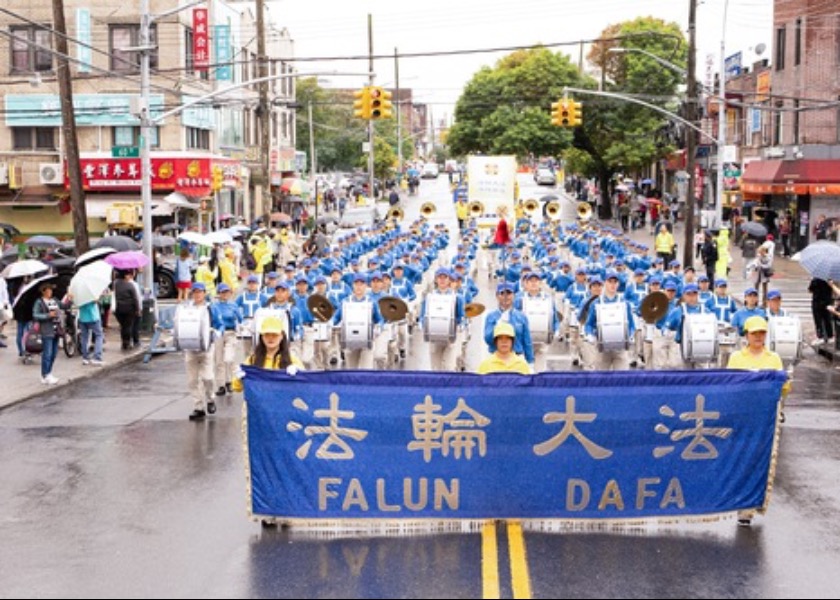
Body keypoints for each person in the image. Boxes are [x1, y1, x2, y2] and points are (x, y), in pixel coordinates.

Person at [727, 315, 791, 526]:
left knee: (760, 461)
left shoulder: (774, 359)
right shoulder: (736, 357)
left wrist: (784, 383)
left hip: (765, 418)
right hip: (743, 416)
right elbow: (729, 385)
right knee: (742, 458)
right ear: (746, 335)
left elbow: (783, 389)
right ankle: (743, 506)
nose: (758, 337)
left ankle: (754, 502)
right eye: (754, 333)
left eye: (762, 333)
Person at [231, 315, 304, 393]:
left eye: (274, 335)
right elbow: (236, 388)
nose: (270, 338)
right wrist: (239, 378)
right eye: (267, 335)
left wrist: (298, 375)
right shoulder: (252, 360)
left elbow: (304, 386)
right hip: (257, 404)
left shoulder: (291, 360)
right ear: (262, 337)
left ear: (282, 336)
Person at [183, 282, 217, 421]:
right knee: (192, 380)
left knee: (208, 377)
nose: (197, 295)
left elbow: (219, 324)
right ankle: (198, 407)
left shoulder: (210, 308)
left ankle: (210, 398)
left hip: (206, 347)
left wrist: (215, 332)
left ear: (204, 293)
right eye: (195, 292)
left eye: (200, 292)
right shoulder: (186, 308)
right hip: (190, 348)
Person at [31, 282, 70, 385]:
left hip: (56, 329)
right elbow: (35, 315)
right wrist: (48, 315)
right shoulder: (39, 302)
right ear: (43, 291)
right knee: (47, 354)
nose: (50, 292)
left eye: (51, 290)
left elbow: (64, 306)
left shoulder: (55, 300)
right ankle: (45, 374)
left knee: (53, 353)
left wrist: (69, 298)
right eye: (48, 290)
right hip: (46, 330)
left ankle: (49, 373)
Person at [113, 270, 141, 351]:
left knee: (123, 326)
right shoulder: (130, 285)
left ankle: (124, 342)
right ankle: (127, 342)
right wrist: (137, 309)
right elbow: (135, 299)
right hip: (129, 309)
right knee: (128, 326)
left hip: (118, 308)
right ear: (125, 276)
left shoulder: (116, 284)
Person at [808, 277, 834, 344]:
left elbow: (810, 290)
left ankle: (820, 337)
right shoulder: (830, 279)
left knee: (818, 320)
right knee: (827, 319)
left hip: (817, 302)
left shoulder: (816, 279)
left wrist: (811, 281)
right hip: (827, 302)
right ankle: (830, 336)